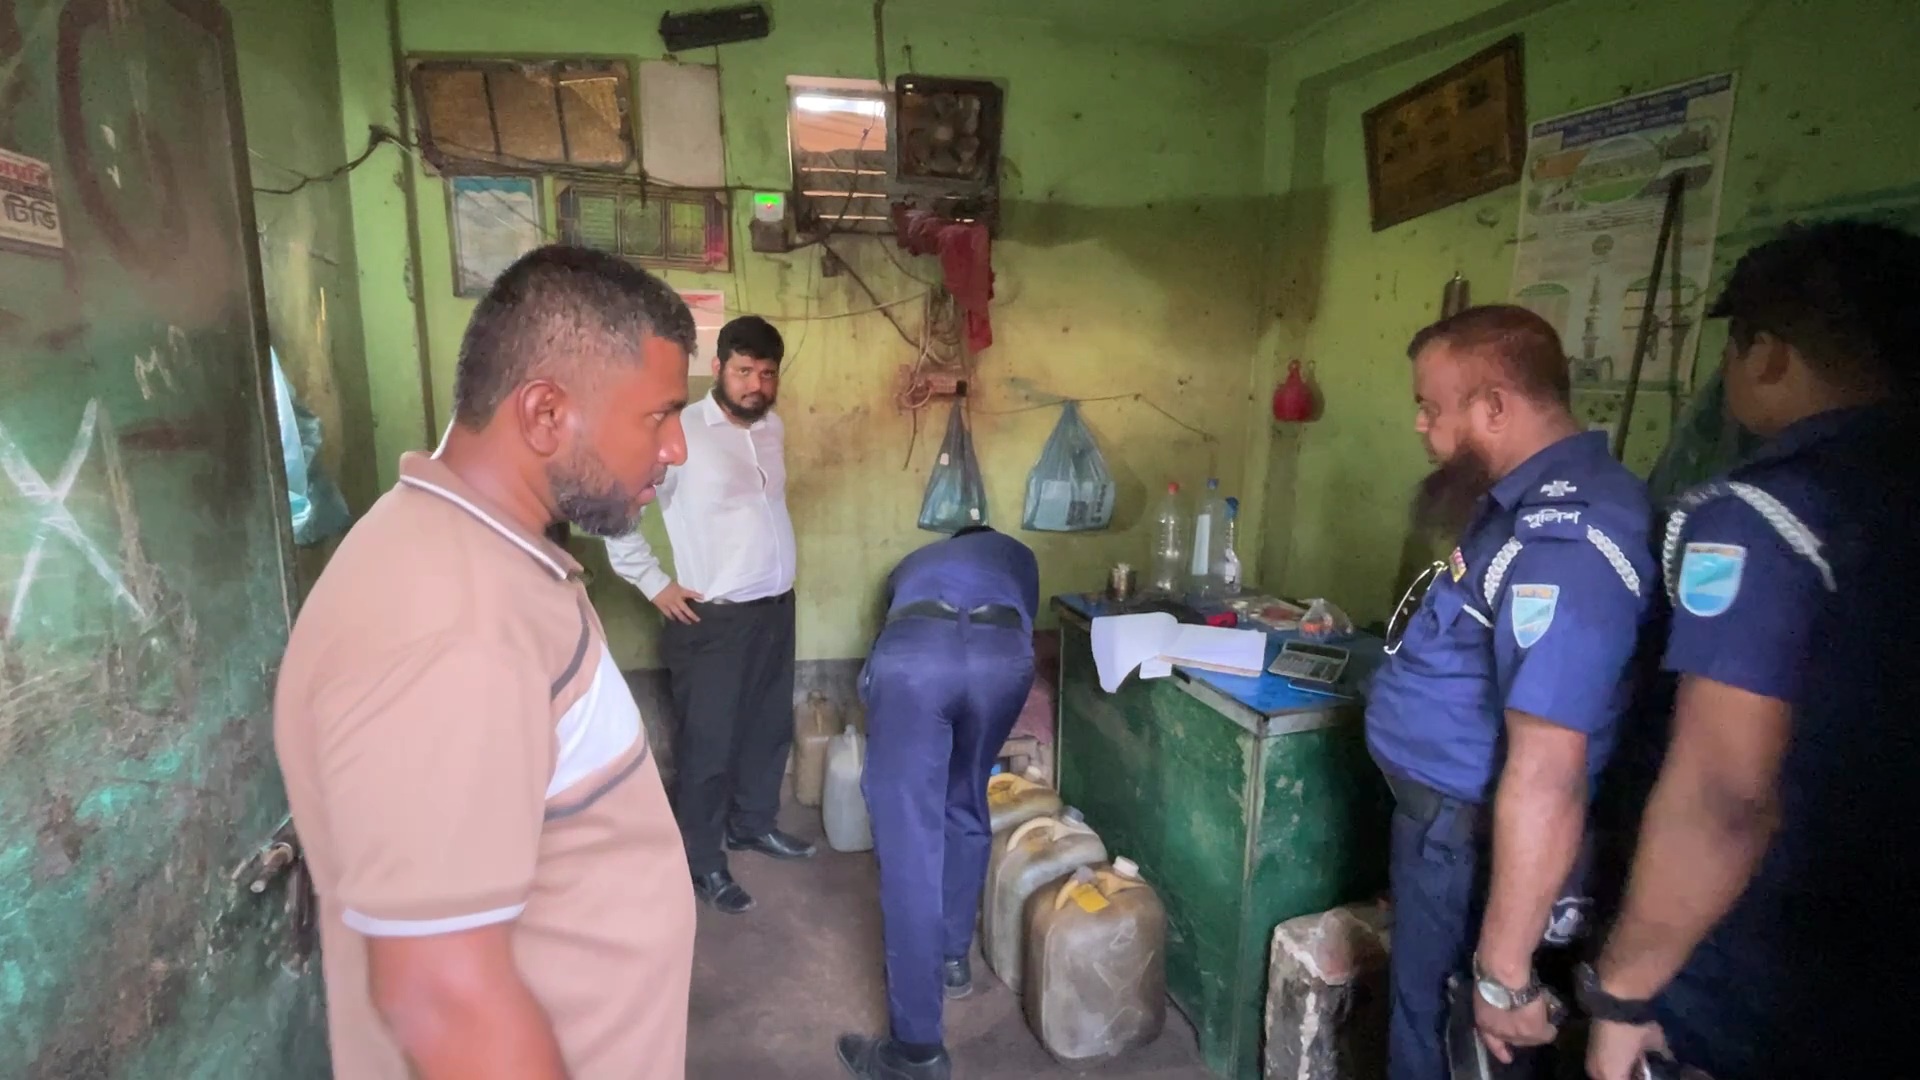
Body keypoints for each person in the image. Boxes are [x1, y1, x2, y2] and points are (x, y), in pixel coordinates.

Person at [274, 246, 698, 1080]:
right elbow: (443, 1001)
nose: (677, 448)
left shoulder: (488, 561)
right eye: (660, 416)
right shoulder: (448, 624)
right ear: (545, 413)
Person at [1582, 221, 1920, 1080]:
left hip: (1760, 972)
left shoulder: (1760, 519)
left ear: (1766, 356)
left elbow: (1725, 797)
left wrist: (1622, 995)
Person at [1365, 305, 1658, 1080]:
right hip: (1445, 831)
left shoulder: (1568, 539)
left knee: (1444, 1041)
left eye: (1431, 407)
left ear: (1494, 407)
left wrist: (1502, 973)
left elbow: (1550, 770)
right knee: (1425, 1016)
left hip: (1472, 844)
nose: (1421, 426)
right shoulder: (1516, 506)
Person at [606, 314, 809, 915]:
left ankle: (753, 824)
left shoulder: (772, 428)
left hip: (775, 610)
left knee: (768, 729)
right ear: (717, 367)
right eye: (744, 371)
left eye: (767, 374)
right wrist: (655, 584)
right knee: (709, 746)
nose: (755, 386)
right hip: (713, 622)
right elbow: (618, 512)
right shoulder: (680, 433)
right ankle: (701, 860)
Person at [836, 524, 1041, 1080]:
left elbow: (886, 639)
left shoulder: (916, 562)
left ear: (953, 539)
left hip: (917, 657)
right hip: (1002, 659)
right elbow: (1024, 620)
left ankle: (915, 1050)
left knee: (910, 841)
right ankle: (953, 958)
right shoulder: (1017, 557)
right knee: (966, 793)